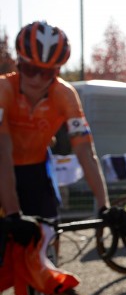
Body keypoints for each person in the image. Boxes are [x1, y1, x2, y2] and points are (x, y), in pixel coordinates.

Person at [0, 20, 115, 238]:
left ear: (57, 71)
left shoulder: (65, 95)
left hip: (36, 171)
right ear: (18, 63)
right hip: (3, 168)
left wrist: (104, 207)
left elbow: (85, 152)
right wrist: (13, 213)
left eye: (46, 73)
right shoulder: (3, 89)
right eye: (30, 69)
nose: (36, 79)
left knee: (47, 242)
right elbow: (1, 152)